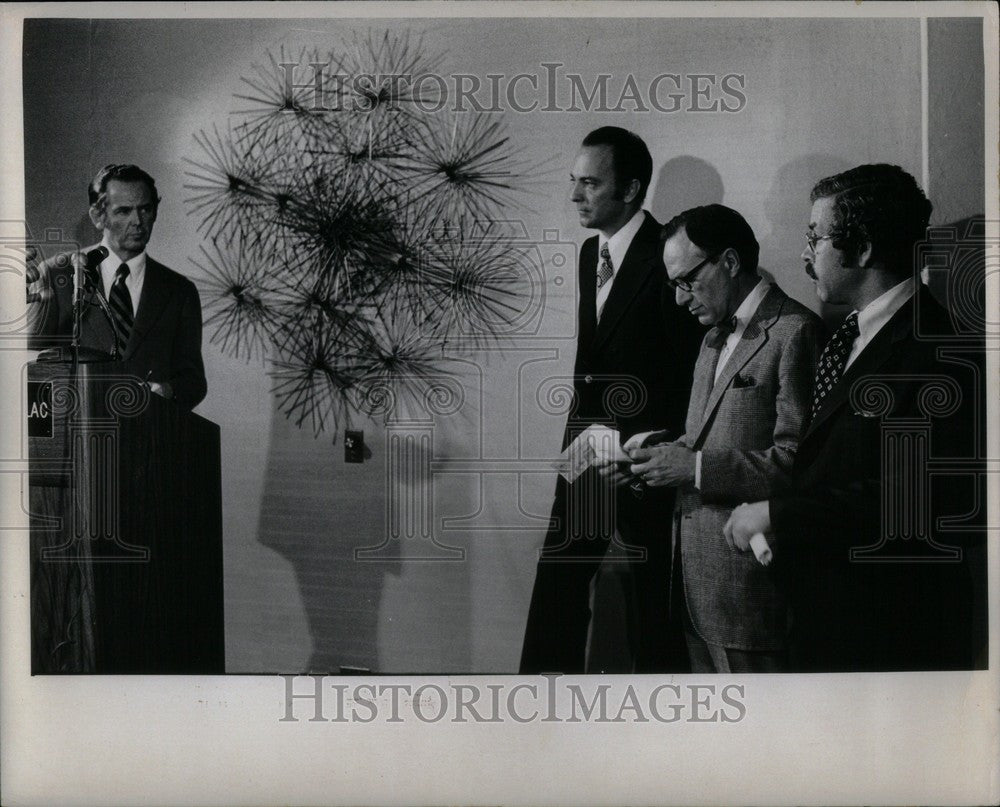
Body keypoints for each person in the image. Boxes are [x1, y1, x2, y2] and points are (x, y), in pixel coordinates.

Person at [725, 164, 985, 671]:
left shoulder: (942, 351)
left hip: (894, 635)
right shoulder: (847, 335)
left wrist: (779, 514)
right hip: (832, 621)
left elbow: (924, 500)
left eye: (815, 237)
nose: (805, 254)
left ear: (863, 249)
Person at [519, 128, 704, 673]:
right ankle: (538, 712)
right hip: (587, 454)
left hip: (648, 459)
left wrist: (660, 445)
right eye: (573, 182)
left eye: (590, 183)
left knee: (655, 604)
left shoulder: (670, 254)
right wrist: (576, 442)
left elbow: (694, 368)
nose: (576, 196)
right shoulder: (587, 253)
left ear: (630, 190)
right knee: (556, 589)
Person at [613, 204, 821, 673]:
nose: (681, 299)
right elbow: (702, 437)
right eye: (673, 287)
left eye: (686, 281)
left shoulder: (796, 332)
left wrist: (696, 468)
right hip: (693, 586)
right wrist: (659, 462)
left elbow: (799, 465)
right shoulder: (709, 339)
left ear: (729, 262)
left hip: (751, 591)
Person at [27, 163, 207, 409]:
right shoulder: (57, 275)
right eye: (124, 211)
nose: (138, 221)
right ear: (97, 217)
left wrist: (167, 391)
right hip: (76, 432)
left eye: (145, 209)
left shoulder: (179, 291)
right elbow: (32, 367)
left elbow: (194, 380)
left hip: (150, 436)